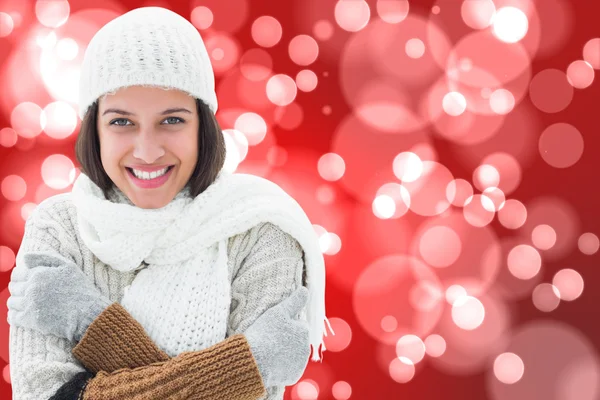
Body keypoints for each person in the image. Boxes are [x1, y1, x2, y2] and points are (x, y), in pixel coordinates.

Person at [6, 6, 330, 400]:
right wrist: (250, 363)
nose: (146, 150)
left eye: (172, 120)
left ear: (203, 126)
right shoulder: (59, 228)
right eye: (121, 122)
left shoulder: (260, 230)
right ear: (94, 129)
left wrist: (87, 320)